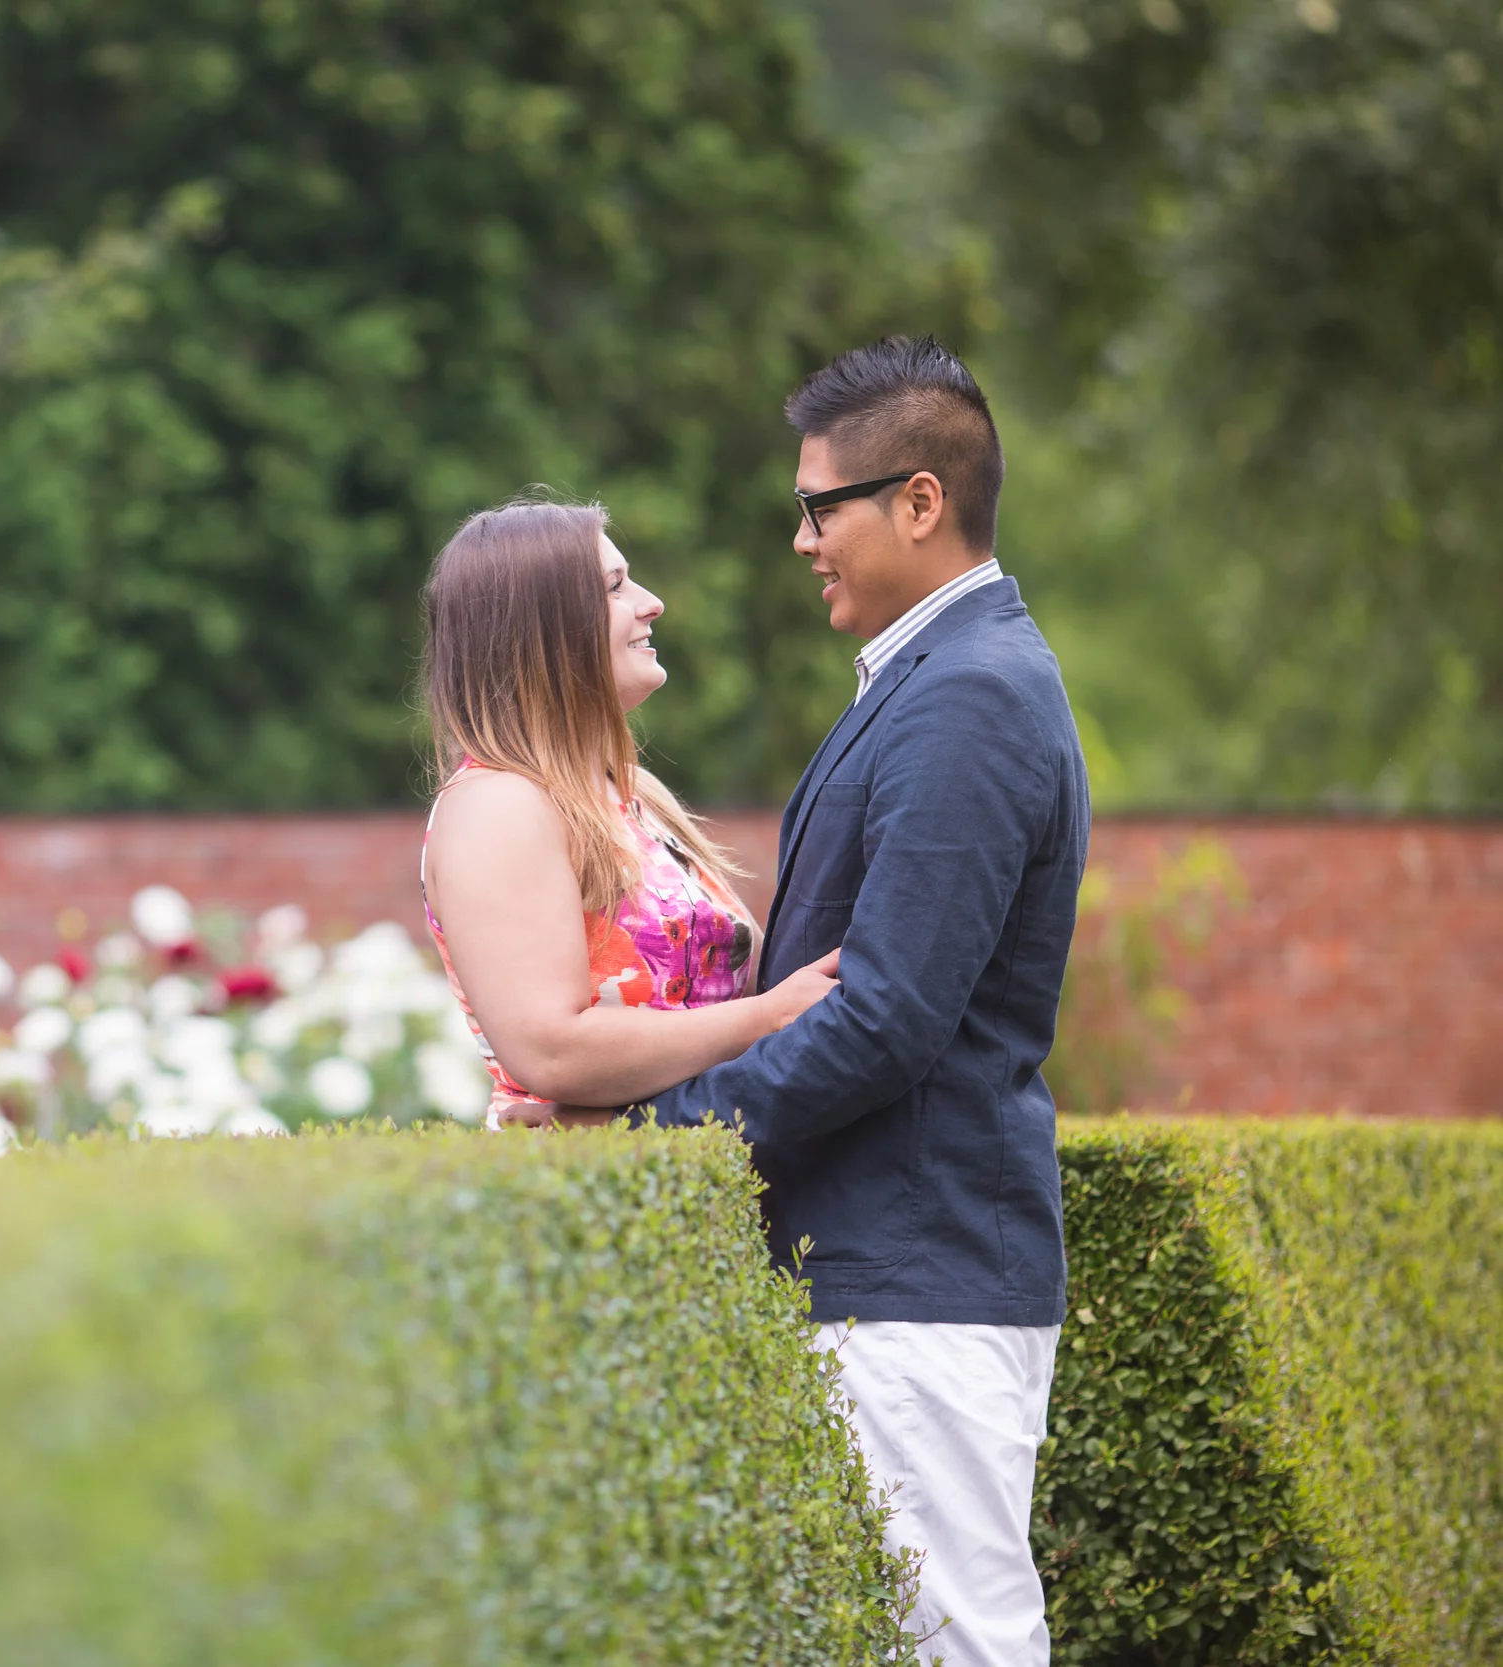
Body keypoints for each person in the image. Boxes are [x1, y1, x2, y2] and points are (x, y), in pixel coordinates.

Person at [637, 336, 1090, 1667]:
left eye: (818, 507)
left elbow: (885, 1019)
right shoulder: (938, 677)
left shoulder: (970, 696)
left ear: (919, 501)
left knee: (954, 1646)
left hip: (917, 1278)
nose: (801, 540)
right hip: (896, 1274)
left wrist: (663, 1134)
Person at [418, 498, 843, 1128]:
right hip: (584, 1181)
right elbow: (550, 1050)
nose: (652, 604)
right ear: (543, 627)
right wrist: (767, 1017)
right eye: (615, 587)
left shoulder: (632, 790)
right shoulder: (497, 804)